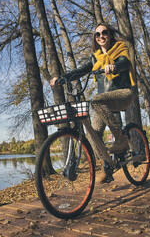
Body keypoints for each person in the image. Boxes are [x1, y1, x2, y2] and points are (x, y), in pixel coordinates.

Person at [50, 22, 136, 183]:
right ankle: (108, 166)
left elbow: (125, 62)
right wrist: (62, 78)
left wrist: (114, 66)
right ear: (95, 38)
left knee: (94, 100)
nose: (101, 36)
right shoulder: (95, 57)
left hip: (123, 93)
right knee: (92, 134)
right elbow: (80, 71)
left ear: (109, 34)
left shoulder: (120, 48)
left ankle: (121, 139)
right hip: (103, 101)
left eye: (104, 33)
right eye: (97, 34)